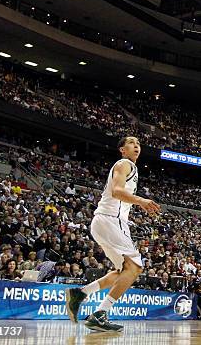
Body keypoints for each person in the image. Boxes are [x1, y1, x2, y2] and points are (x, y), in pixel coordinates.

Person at [65, 136, 160, 332]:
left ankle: (80, 293)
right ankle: (100, 313)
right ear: (122, 150)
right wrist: (141, 201)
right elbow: (116, 191)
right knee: (135, 268)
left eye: (139, 144)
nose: (136, 146)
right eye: (132, 143)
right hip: (110, 219)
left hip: (104, 222)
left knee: (122, 271)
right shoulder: (124, 163)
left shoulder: (130, 167)